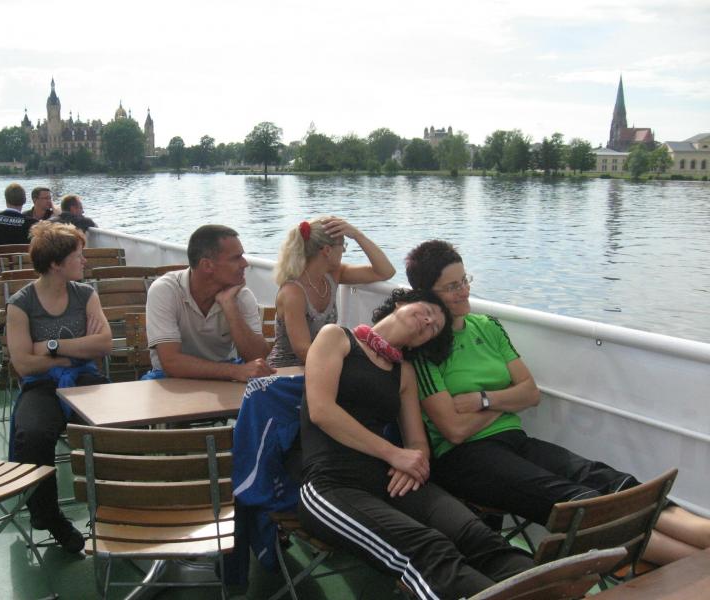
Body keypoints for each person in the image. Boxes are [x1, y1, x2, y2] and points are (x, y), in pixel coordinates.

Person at [405, 239, 710, 566]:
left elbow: (530, 393)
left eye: (465, 280)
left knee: (606, 479)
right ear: (427, 294)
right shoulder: (424, 349)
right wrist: (506, 403)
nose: (464, 291)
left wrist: (483, 400)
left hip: (514, 441)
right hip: (466, 458)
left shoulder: (488, 327)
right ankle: (694, 565)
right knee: (576, 501)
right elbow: (454, 430)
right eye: (452, 286)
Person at [298, 288, 534, 599]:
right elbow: (321, 411)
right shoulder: (336, 338)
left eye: (434, 327)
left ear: (419, 344)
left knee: (475, 532)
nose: (428, 321)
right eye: (427, 311)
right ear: (401, 304)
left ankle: (545, 591)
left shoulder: (404, 372)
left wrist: (413, 461)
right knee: (428, 548)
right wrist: (394, 455)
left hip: (389, 479)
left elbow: (417, 442)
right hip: (332, 484)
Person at [6, 221, 112, 553]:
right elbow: (24, 364)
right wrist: (76, 350)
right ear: (56, 264)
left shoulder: (85, 295)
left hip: (84, 379)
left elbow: (104, 344)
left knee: (116, 424)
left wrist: (50, 347)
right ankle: (49, 516)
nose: (84, 261)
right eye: (78, 256)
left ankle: (114, 506)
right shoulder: (21, 304)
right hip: (41, 385)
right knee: (33, 434)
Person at [145, 224, 274, 382]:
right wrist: (235, 371)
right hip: (170, 378)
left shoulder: (241, 296)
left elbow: (259, 358)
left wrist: (229, 306)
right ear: (207, 265)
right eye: (236, 258)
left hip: (226, 371)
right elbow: (171, 362)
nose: (245, 264)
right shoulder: (165, 290)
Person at [267, 217, 395, 367]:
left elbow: (385, 271)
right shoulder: (293, 293)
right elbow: (303, 350)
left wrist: (358, 235)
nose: (344, 250)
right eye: (343, 245)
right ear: (327, 250)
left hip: (323, 365)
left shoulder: (333, 275)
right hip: (287, 369)